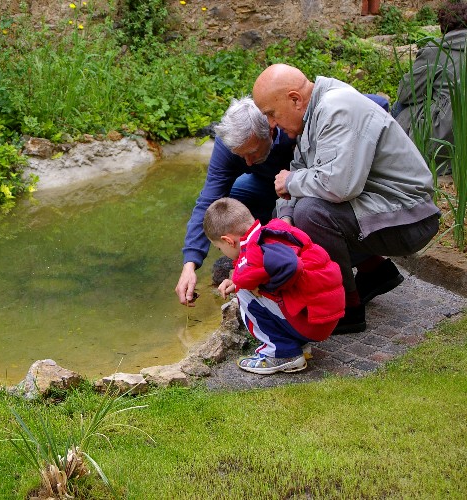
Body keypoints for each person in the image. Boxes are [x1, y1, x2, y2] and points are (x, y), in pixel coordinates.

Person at [252, 64, 441, 334]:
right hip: (383, 210)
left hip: (411, 218)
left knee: (311, 213)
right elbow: (294, 180)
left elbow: (338, 187)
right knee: (295, 215)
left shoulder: (337, 108)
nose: (271, 124)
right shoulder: (311, 117)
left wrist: (292, 185)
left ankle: (345, 308)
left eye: (271, 114)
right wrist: (284, 220)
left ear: (294, 99)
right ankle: (375, 272)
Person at [175, 94, 389, 308]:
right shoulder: (229, 144)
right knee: (233, 200)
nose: (248, 163)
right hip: (271, 183)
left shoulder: (291, 123)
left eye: (252, 152)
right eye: (242, 157)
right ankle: (251, 265)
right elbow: (209, 202)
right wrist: (190, 264)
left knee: (301, 215)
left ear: (269, 130)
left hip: (309, 184)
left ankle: (364, 266)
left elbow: (378, 103)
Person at [204, 197, 345, 374]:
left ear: (228, 241)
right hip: (325, 318)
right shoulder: (273, 231)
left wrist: (262, 288)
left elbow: (292, 265)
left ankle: (281, 353)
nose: (221, 252)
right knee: (248, 286)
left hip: (311, 324)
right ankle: (297, 345)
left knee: (244, 291)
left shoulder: (253, 251)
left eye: (219, 248)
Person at [393, 1, 467, 175]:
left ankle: (398, 154)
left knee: (400, 106)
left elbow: (405, 94)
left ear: (443, 26)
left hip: (447, 131)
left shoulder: (437, 49)